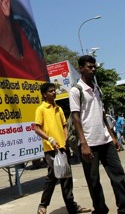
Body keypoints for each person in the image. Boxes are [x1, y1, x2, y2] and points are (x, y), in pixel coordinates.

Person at [70, 55, 125, 214]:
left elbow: (103, 113)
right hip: (89, 144)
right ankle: (100, 209)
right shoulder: (76, 90)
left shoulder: (96, 88)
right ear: (81, 69)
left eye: (94, 67)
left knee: (118, 175)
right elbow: (76, 117)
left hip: (105, 140)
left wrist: (112, 135)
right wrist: (83, 143)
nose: (93, 69)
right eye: (89, 67)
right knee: (93, 181)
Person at [34, 82, 91, 214]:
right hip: (50, 149)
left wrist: (65, 139)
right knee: (53, 176)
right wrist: (49, 139)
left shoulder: (58, 109)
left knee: (66, 176)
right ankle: (43, 205)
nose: (54, 93)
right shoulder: (41, 109)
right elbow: (36, 128)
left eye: (54, 90)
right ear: (44, 94)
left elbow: (64, 125)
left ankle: (72, 207)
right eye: (50, 91)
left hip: (62, 148)